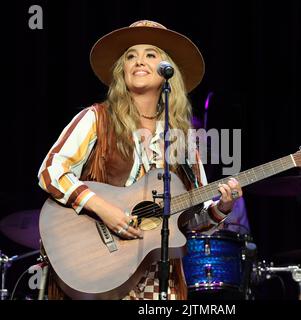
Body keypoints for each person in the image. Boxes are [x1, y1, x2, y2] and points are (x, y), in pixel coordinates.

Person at [37, 20, 243, 300]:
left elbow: (192, 219)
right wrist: (103, 209)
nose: (139, 61)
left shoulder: (182, 139)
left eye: (150, 55)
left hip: (159, 277)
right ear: (122, 71)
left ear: (168, 72)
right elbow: (50, 171)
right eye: (130, 56)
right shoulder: (97, 118)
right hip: (98, 266)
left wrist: (223, 206)